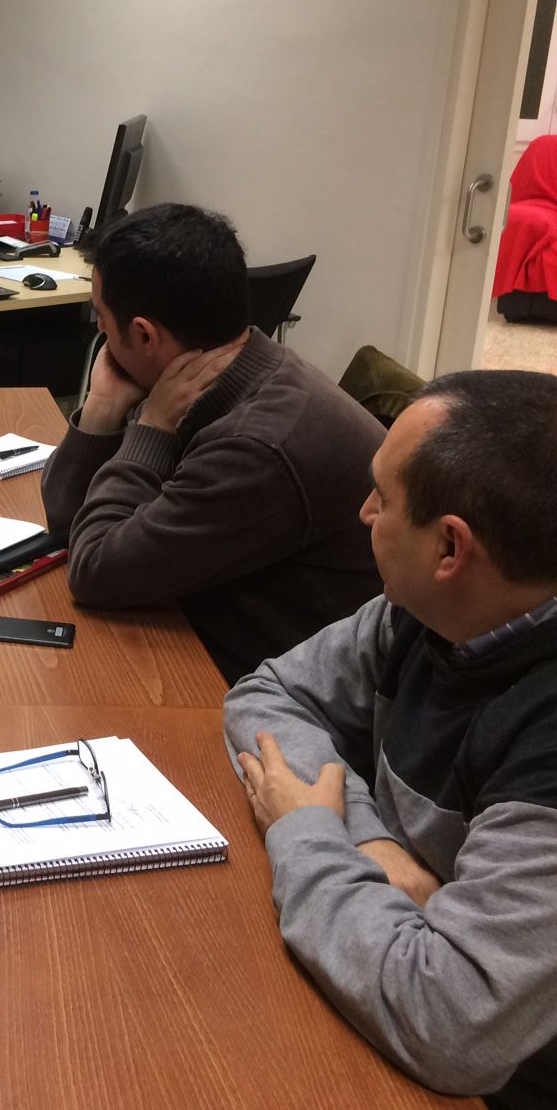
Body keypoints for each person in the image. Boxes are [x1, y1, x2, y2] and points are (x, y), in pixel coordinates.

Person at [224, 370, 557, 1108]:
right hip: (386, 972)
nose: (364, 511)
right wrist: (369, 842)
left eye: (384, 496)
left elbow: (453, 1023)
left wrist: (308, 827)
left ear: (450, 548)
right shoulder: (427, 611)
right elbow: (268, 694)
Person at [40, 202, 384, 682]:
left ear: (143, 335)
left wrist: (151, 432)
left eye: (100, 315)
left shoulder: (256, 444)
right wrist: (101, 408)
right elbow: (66, 522)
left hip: (280, 696)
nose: (99, 329)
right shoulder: (204, 370)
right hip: (208, 622)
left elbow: (95, 569)